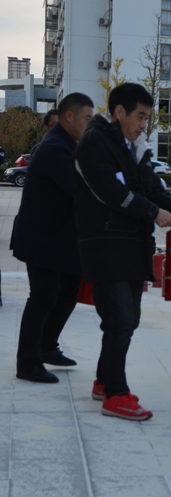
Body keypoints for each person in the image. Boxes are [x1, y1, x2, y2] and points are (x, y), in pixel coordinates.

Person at [74, 83, 171, 421]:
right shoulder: (94, 143)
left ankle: (104, 380)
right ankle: (115, 393)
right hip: (105, 244)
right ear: (119, 112)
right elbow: (110, 191)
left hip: (133, 245)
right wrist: (153, 213)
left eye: (147, 117)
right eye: (139, 116)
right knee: (120, 318)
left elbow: (153, 189)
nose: (143, 124)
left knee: (127, 320)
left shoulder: (134, 148)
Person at [12, 93, 94, 384]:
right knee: (43, 298)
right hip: (42, 240)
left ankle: (47, 346)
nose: (90, 124)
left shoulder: (69, 144)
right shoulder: (54, 148)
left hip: (60, 239)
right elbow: (82, 189)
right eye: (87, 118)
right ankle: (27, 363)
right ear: (69, 117)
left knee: (70, 289)